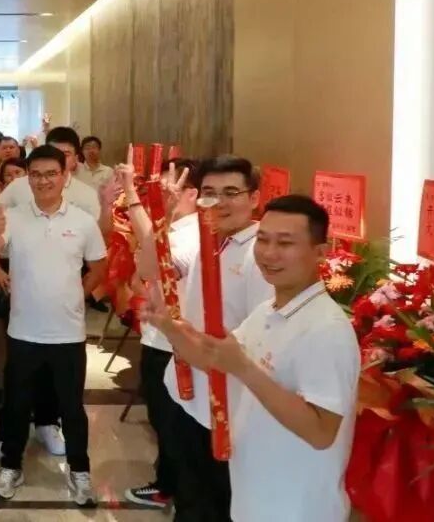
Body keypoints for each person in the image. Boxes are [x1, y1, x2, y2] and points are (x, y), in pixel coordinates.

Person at [141, 195, 360, 522]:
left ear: (320, 252)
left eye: (285, 243)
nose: (269, 253)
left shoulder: (326, 329)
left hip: (296, 509)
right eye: (263, 239)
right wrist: (168, 327)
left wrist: (244, 368)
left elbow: (320, 431)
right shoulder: (269, 310)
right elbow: (214, 358)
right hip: (254, 497)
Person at [124, 154, 274, 522]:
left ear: (254, 198)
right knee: (190, 496)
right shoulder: (203, 238)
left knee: (216, 503)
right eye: (210, 193)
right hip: (187, 394)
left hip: (227, 408)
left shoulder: (263, 255)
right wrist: (163, 217)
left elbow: (259, 345)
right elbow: (148, 269)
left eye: (231, 192)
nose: (218, 202)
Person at [0, 145, 108, 506]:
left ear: (65, 176)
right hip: (23, 332)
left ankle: (80, 473)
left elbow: (99, 266)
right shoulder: (14, 217)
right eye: (35, 174)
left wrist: (79, 295)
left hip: (68, 334)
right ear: (28, 178)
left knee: (72, 409)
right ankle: (11, 466)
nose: (43, 181)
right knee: (17, 405)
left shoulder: (82, 221)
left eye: (51, 173)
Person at [121, 157, 199, 510]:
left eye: (172, 185)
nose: (164, 190)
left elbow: (148, 268)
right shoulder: (176, 227)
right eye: (161, 183)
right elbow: (145, 250)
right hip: (162, 338)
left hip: (171, 345)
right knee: (164, 419)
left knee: (170, 423)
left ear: (193, 193)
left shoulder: (189, 236)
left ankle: (174, 490)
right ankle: (169, 484)